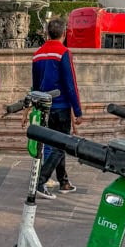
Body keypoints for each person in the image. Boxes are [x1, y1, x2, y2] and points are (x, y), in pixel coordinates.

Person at [31, 17, 83, 197]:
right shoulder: (63, 53)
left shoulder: (37, 54)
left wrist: (32, 107)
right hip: (61, 107)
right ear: (64, 33)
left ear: (47, 33)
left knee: (56, 144)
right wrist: (77, 111)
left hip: (45, 107)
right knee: (61, 146)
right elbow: (70, 84)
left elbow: (35, 85)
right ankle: (41, 181)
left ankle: (64, 181)